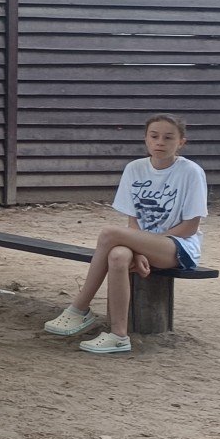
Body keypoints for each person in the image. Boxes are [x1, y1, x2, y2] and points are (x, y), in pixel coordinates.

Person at [44, 114, 207, 355]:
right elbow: (134, 222)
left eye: (168, 137)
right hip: (141, 243)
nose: (160, 142)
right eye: (154, 136)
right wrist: (139, 248)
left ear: (181, 142)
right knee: (118, 255)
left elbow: (190, 227)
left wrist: (143, 245)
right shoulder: (134, 169)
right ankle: (119, 336)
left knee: (109, 234)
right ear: (145, 139)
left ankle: (79, 308)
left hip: (178, 247)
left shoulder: (191, 172)